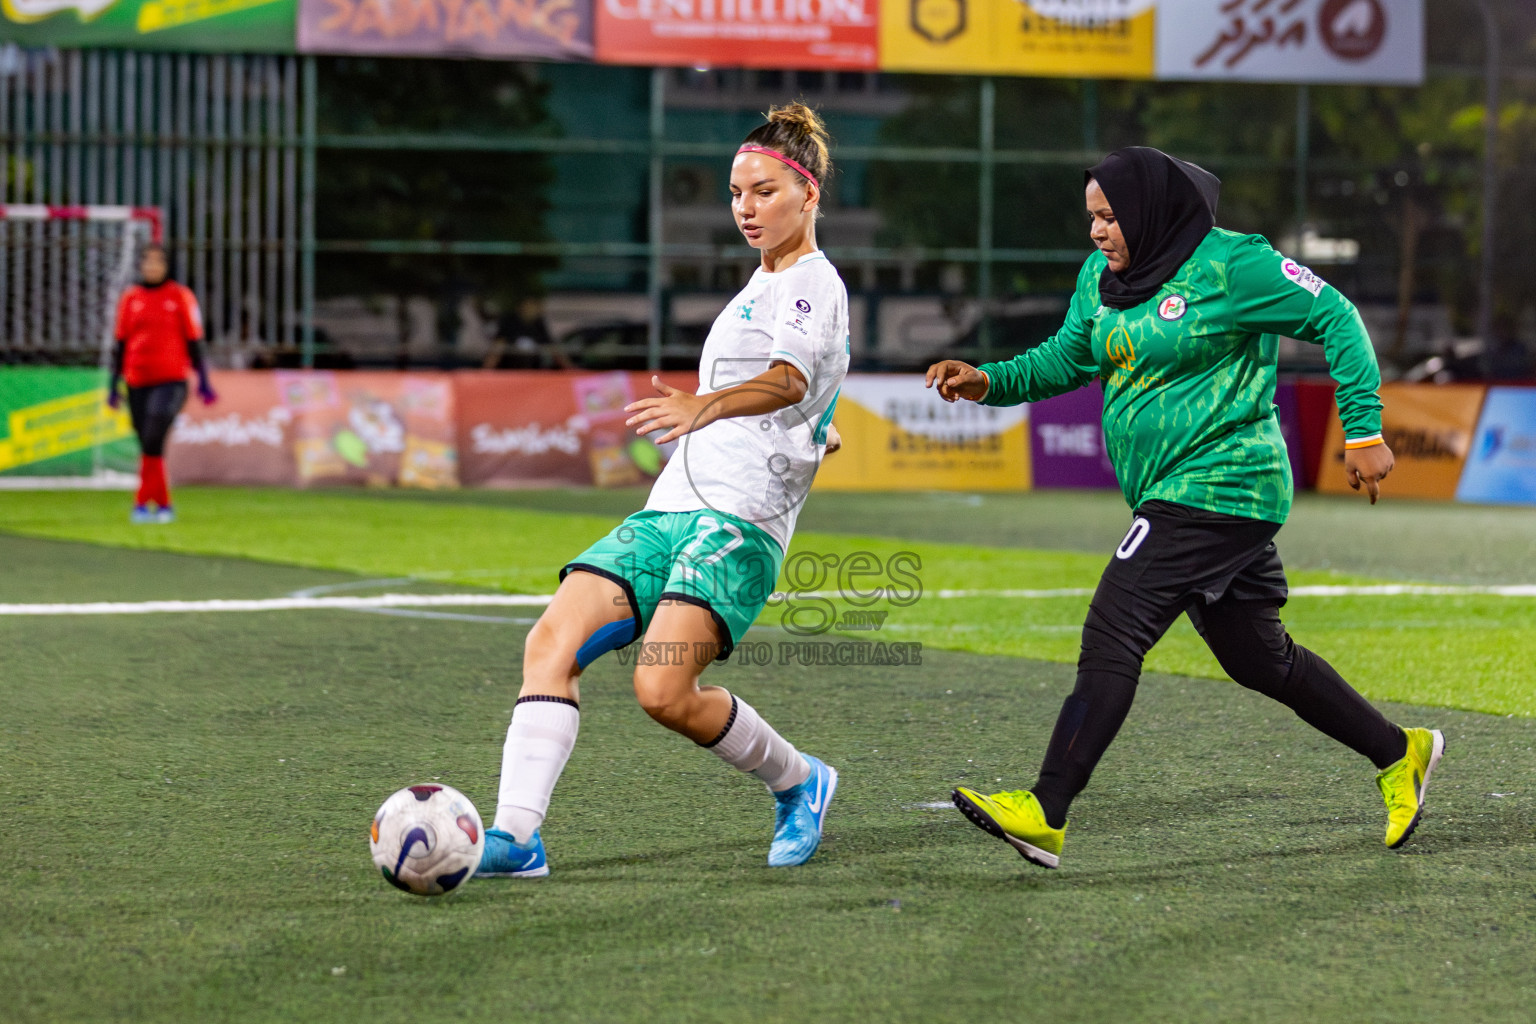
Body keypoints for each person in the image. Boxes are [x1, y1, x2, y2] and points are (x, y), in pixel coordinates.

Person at [926, 147, 1442, 870]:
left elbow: (1338, 317)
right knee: (1258, 658)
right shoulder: (1101, 279)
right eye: (1092, 219)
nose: (1099, 232)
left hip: (1222, 487)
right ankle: (1400, 752)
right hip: (1169, 490)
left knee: (1115, 626)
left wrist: (1362, 429)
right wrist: (987, 381)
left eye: (1110, 217)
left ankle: (1046, 809)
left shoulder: (1235, 265)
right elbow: (1066, 361)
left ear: (1151, 209)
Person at [476, 103, 850, 878]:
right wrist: (816, 425)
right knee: (550, 642)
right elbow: (806, 391)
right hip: (668, 511)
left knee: (663, 688)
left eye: (765, 192)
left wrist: (705, 406)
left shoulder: (811, 282)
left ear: (808, 195)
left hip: (736, 527)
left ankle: (800, 780)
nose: (746, 208)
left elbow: (790, 377)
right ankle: (518, 837)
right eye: (736, 192)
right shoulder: (761, 284)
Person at [109, 242, 217, 524]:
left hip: (171, 380)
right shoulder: (131, 298)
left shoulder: (180, 296)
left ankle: (142, 502)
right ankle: (163, 504)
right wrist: (113, 385)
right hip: (136, 379)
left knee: (155, 430)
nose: (152, 267)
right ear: (142, 266)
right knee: (147, 442)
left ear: (166, 266)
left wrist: (204, 381)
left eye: (158, 262)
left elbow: (195, 341)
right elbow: (120, 344)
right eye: (148, 262)